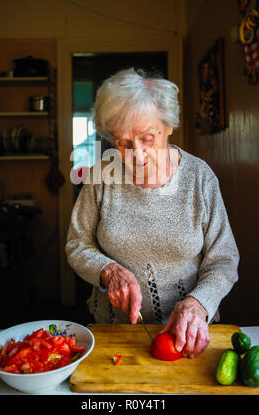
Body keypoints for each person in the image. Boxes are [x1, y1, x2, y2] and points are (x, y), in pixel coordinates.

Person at [65, 68, 240, 359]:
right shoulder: (101, 177)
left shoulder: (199, 178)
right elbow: (77, 244)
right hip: (114, 333)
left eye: (147, 138)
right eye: (123, 143)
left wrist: (199, 303)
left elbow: (223, 260)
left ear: (168, 126)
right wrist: (107, 271)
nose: (138, 154)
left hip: (189, 336)